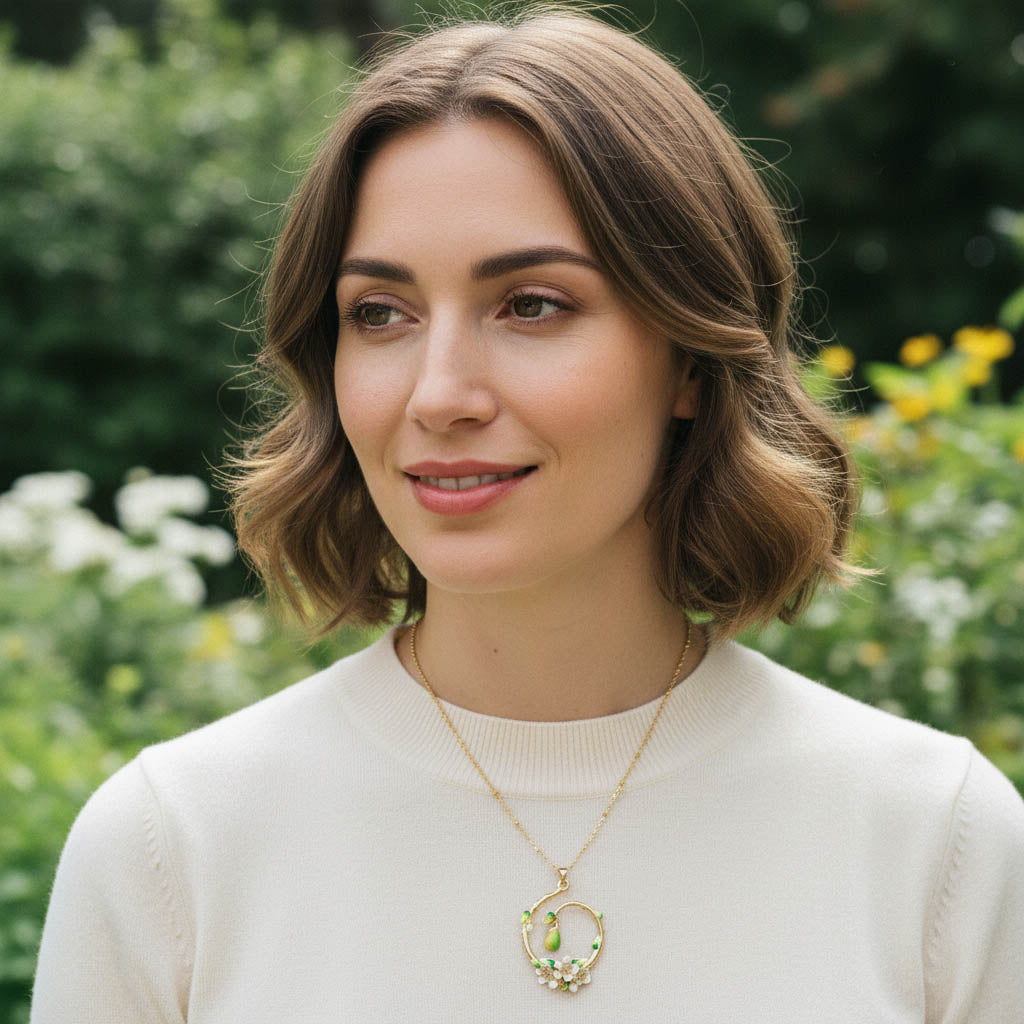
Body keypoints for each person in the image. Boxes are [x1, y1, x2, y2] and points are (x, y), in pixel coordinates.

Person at [31, 5, 1024, 1021]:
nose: (437, 393)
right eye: (381, 314)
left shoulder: (934, 847)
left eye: (531, 305)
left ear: (687, 355)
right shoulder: (171, 851)